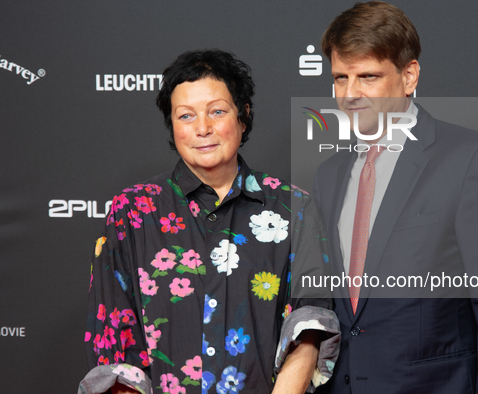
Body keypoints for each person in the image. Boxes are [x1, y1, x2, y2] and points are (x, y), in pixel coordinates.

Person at [79, 49, 339, 394]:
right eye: (186, 116)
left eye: (217, 111)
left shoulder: (294, 208)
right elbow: (116, 345)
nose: (203, 128)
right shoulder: (132, 211)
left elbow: (308, 329)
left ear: (243, 116)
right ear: (172, 125)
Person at [312, 2, 478, 393]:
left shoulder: (473, 159)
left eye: (368, 77)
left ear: (409, 75)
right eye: (340, 78)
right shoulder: (330, 174)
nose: (350, 94)